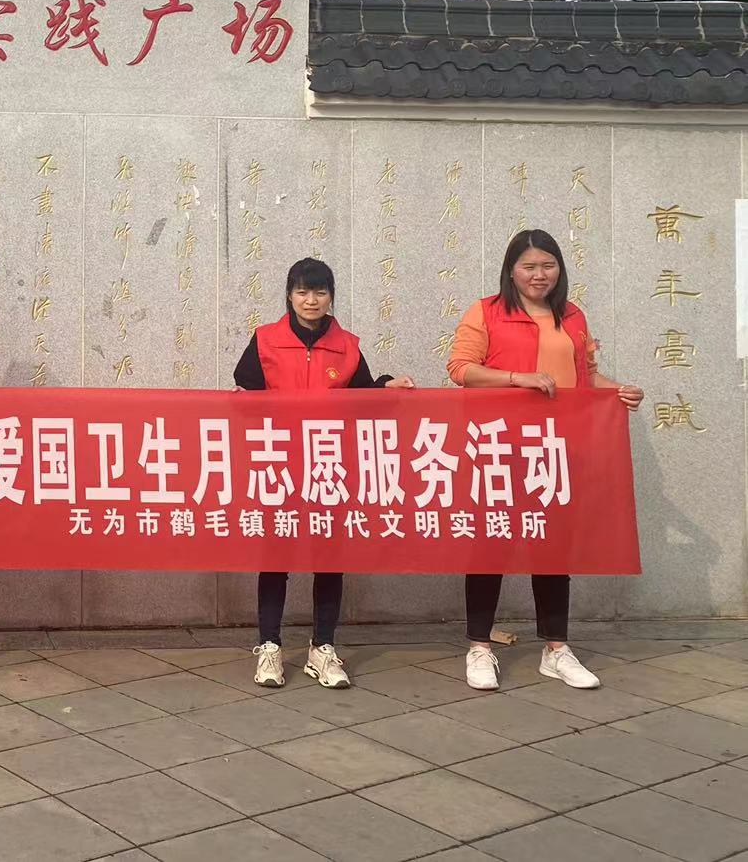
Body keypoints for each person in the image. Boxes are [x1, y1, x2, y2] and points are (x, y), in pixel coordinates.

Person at [447, 229, 643, 691]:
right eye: (529, 266)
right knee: (491, 544)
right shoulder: (486, 311)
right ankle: (479, 646)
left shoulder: (571, 315)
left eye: (548, 265)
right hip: (498, 447)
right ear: (511, 270)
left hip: (556, 448)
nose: (540, 275)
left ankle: (556, 649)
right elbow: (460, 369)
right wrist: (518, 378)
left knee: (553, 547)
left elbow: (586, 377)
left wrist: (619, 390)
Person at [233, 258, 415, 690]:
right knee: (275, 557)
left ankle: (323, 647)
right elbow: (245, 391)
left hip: (328, 464)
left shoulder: (347, 346)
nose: (310, 300)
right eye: (302, 291)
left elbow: (361, 396)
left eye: (319, 292)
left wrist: (385, 386)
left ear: (331, 296)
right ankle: (269, 646)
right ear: (289, 295)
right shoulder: (265, 340)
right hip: (279, 463)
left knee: (329, 557)